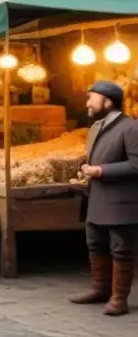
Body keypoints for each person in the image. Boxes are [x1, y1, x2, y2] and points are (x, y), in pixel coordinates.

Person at [71, 81, 138, 316]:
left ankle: (119, 299)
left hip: (121, 202)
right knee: (95, 244)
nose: (88, 103)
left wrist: (101, 171)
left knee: (121, 249)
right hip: (96, 199)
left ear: (108, 102)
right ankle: (100, 289)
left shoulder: (131, 128)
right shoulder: (96, 127)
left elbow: (136, 165)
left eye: (92, 98)